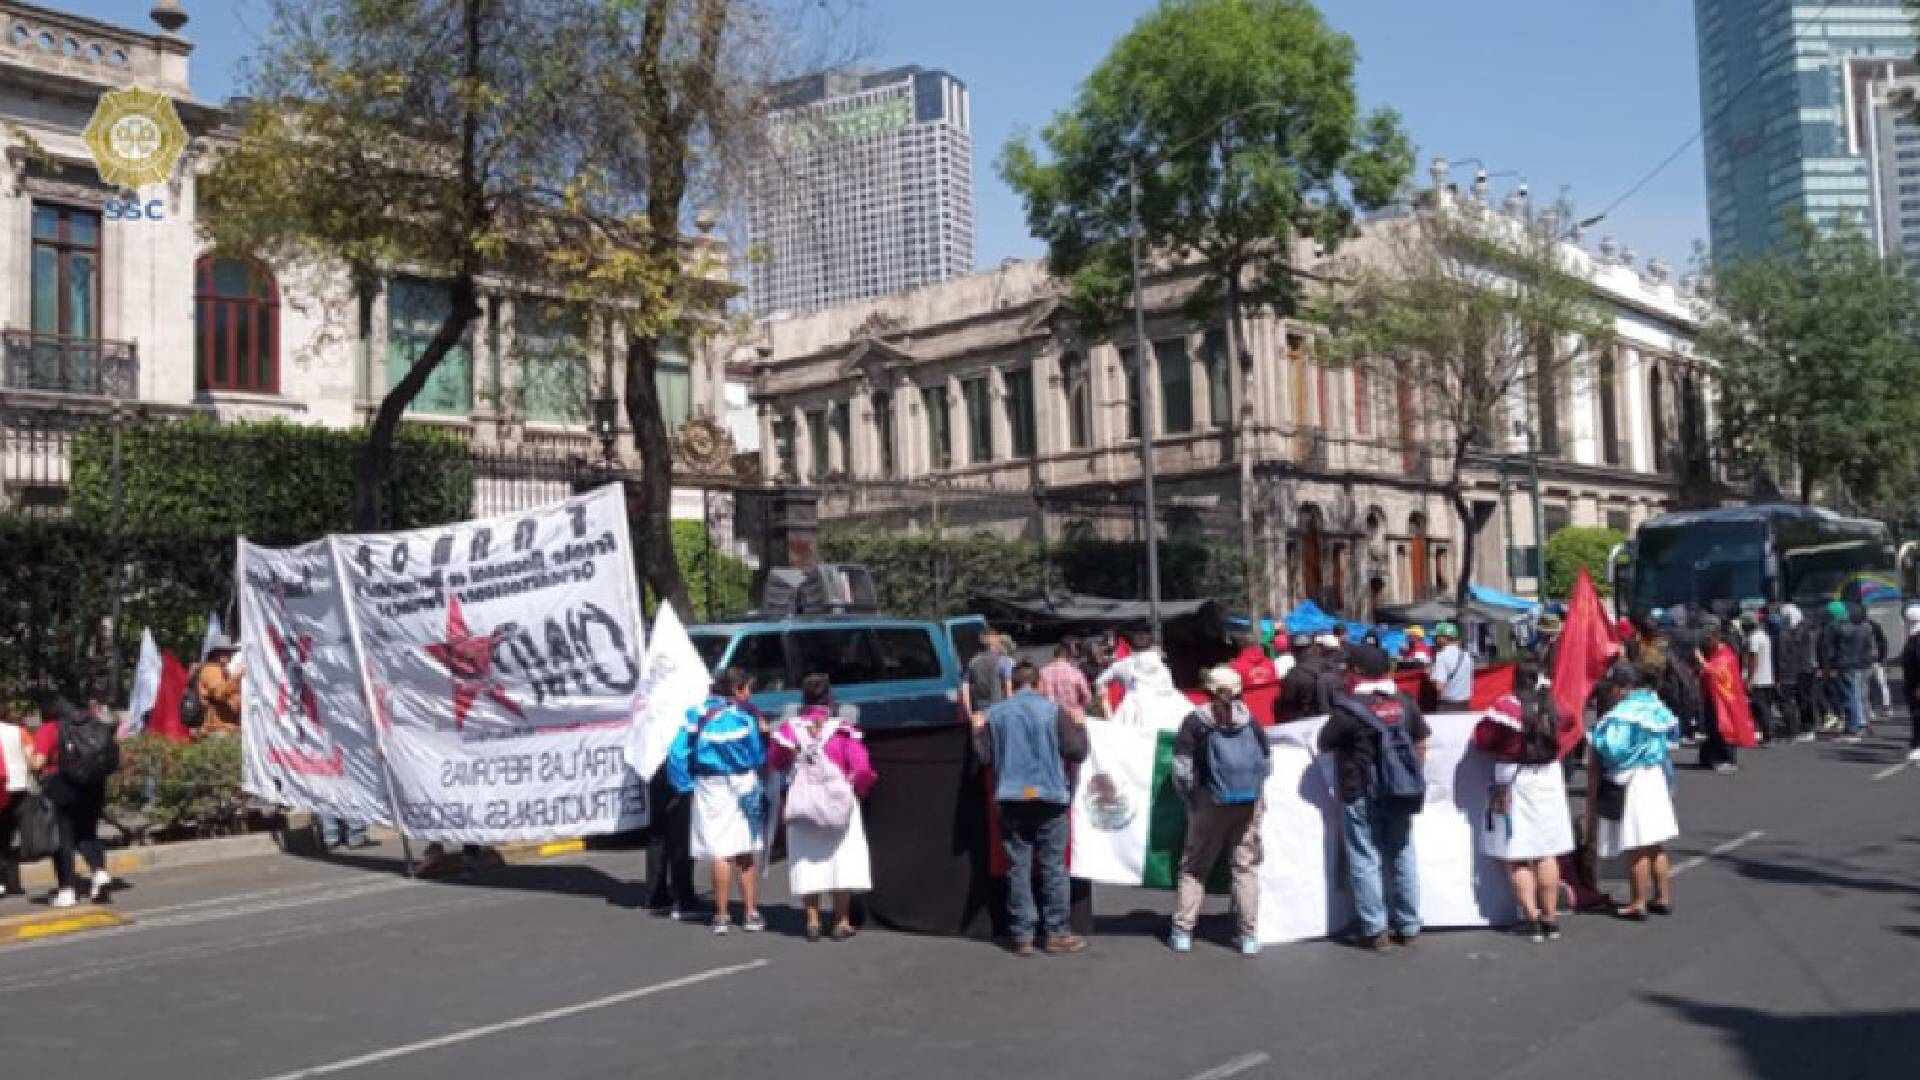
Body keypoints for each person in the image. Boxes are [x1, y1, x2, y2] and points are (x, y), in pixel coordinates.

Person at [972, 661, 1089, 957]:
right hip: (1049, 797)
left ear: (1012, 682)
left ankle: (1022, 934)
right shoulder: (1053, 712)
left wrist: (976, 731)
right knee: (1053, 868)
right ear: (1038, 684)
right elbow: (1077, 751)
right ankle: (1056, 933)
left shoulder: (996, 714)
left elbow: (983, 756)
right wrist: (1080, 725)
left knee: (1018, 867)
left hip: (1011, 797)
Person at [1318, 645, 1430, 950]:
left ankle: (1375, 929)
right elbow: (1421, 741)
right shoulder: (1405, 702)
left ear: (1356, 673)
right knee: (1403, 853)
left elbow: (1323, 743)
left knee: (1365, 857)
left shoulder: (1349, 708)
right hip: (1402, 791)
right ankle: (1408, 925)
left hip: (1359, 791)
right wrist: (1409, 776)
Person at [1168, 667, 1272, 957]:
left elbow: (1182, 769)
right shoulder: (1250, 720)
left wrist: (1191, 799)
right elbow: (1266, 762)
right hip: (1249, 803)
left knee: (1194, 867)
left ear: (1208, 690)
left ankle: (1183, 931)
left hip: (1209, 803)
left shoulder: (1196, 722)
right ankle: (1248, 935)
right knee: (1245, 867)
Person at [1472, 660, 1576, 943]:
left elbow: (1482, 739)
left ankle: (1530, 918)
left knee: (1516, 852)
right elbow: (1571, 723)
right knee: (1547, 851)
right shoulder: (1554, 706)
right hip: (1549, 778)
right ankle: (1550, 919)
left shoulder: (1506, 707)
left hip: (1514, 780)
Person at [768, 674, 877, 942]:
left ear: (803, 699)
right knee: (842, 860)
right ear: (830, 698)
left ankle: (812, 920)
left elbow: (776, 761)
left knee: (806, 861)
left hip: (803, 803)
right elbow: (861, 767)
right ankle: (840, 921)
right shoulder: (841, 730)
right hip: (838, 803)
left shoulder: (790, 730)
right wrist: (857, 790)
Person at [667, 668, 768, 936]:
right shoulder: (746, 715)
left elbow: (677, 753)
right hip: (744, 782)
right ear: (737, 690)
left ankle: (721, 916)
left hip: (710, 786)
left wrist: (685, 784)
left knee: (720, 853)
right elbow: (757, 754)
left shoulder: (697, 713)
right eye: (748, 687)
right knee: (745, 850)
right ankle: (750, 913)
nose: (750, 693)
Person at [1587, 664, 1680, 921]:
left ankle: (1638, 901)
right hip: (1656, 775)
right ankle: (1662, 896)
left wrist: (1597, 740)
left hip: (1633, 780)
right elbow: (1673, 736)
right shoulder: (1655, 705)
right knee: (1655, 842)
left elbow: (1613, 749)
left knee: (1636, 844)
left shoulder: (1623, 714)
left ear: (1622, 688)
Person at [33, 698, 121, 907]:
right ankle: (99, 872)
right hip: (93, 785)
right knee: (88, 832)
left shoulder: (50, 729)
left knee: (63, 839)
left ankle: (67, 891)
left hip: (62, 788)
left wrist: (30, 758)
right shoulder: (92, 724)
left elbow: (38, 761)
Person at [1818, 600, 1875, 742]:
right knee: (1857, 694)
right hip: (1857, 664)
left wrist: (1827, 668)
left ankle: (1851, 729)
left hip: (1841, 665)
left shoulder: (1833, 627)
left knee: (1848, 697)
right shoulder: (1859, 626)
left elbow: (1828, 650)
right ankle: (1859, 725)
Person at [0, 705, 34, 899]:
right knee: (10, 835)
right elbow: (31, 757)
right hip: (19, 787)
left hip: (2, 787)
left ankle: (2, 881)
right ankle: (10, 880)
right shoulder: (18, 731)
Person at [1774, 604, 1815, 743]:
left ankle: (1805, 727)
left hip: (1800, 669)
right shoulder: (1803, 629)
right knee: (1802, 699)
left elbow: (1785, 655)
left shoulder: (1795, 631)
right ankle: (1805, 726)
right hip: (1803, 668)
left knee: (1801, 699)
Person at [1227, 632, 1282, 728]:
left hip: (1251, 722)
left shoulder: (1235, 667)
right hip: (1275, 717)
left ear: (1239, 647)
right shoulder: (1270, 664)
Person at [195, 643, 244, 736]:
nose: (228, 655)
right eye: (224, 652)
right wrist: (237, 677)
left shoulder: (223, 671)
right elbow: (219, 693)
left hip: (228, 728)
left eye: (229, 652)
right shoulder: (212, 669)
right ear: (216, 654)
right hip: (218, 729)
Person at [1741, 614, 1776, 747]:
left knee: (1761, 708)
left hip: (1758, 679)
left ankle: (1768, 735)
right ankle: (1763, 732)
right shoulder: (1764, 636)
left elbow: (1753, 659)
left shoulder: (1754, 639)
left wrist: (1749, 679)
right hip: (1766, 677)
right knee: (1762, 707)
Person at [962, 633, 1011, 720]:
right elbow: (1008, 689)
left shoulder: (973, 661)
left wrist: (969, 714)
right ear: (994, 645)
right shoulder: (1003, 661)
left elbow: (965, 689)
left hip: (979, 711)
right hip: (999, 710)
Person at [1038, 643, 1094, 719]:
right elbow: (1086, 697)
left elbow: (1038, 696)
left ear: (1054, 656)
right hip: (1073, 717)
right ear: (1068, 657)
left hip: (1051, 718)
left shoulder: (1042, 673)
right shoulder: (1075, 672)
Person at [1430, 622, 1474, 712]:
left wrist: (1430, 676)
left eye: (1437, 637)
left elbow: (1439, 687)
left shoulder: (1442, 656)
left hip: (1447, 706)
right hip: (1465, 706)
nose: (1435, 640)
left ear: (1444, 638)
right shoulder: (1467, 656)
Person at [1900, 604, 1920, 764]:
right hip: (1911, 682)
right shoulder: (1913, 637)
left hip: (1915, 682)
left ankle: (1918, 746)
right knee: (1915, 714)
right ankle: (1916, 744)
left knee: (1917, 714)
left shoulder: (1917, 638)